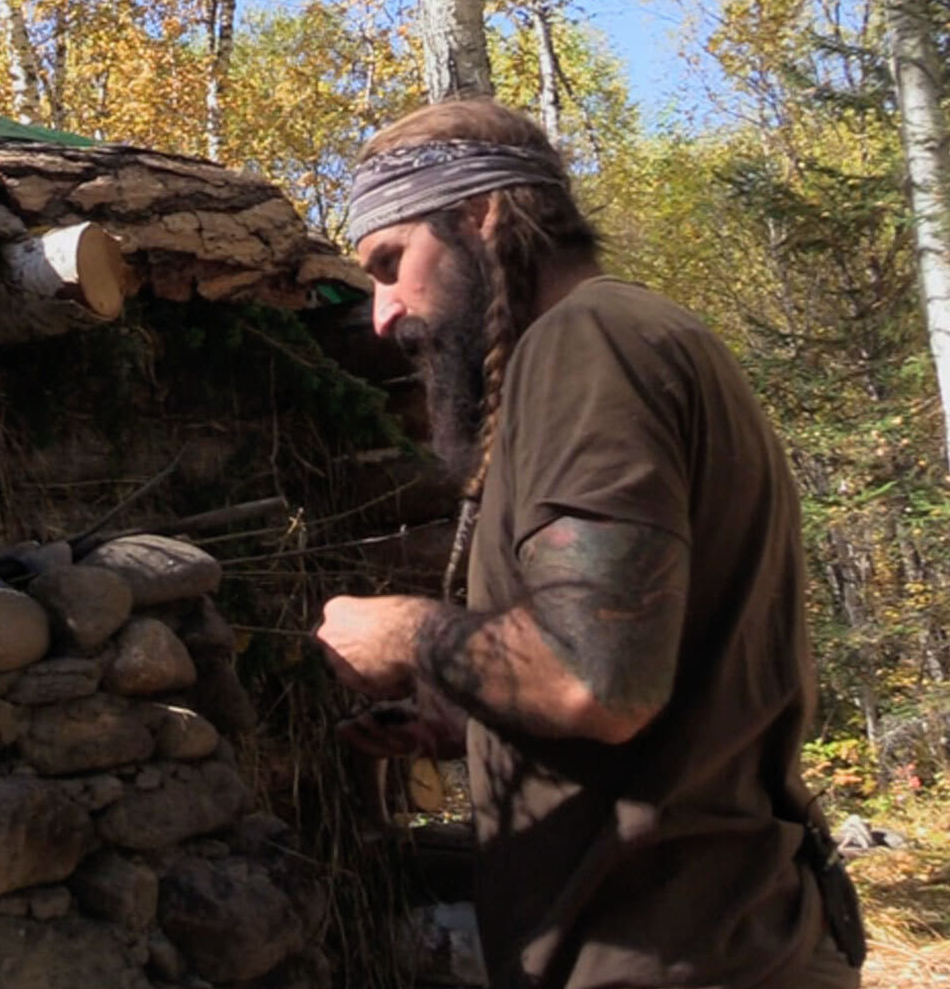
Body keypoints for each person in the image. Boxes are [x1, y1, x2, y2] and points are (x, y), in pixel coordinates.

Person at [314, 99, 863, 989]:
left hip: (687, 957)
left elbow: (596, 680)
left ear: (480, 216)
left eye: (390, 263)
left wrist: (410, 634)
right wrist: (470, 723)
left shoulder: (587, 343)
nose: (382, 313)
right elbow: (652, 681)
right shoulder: (629, 339)